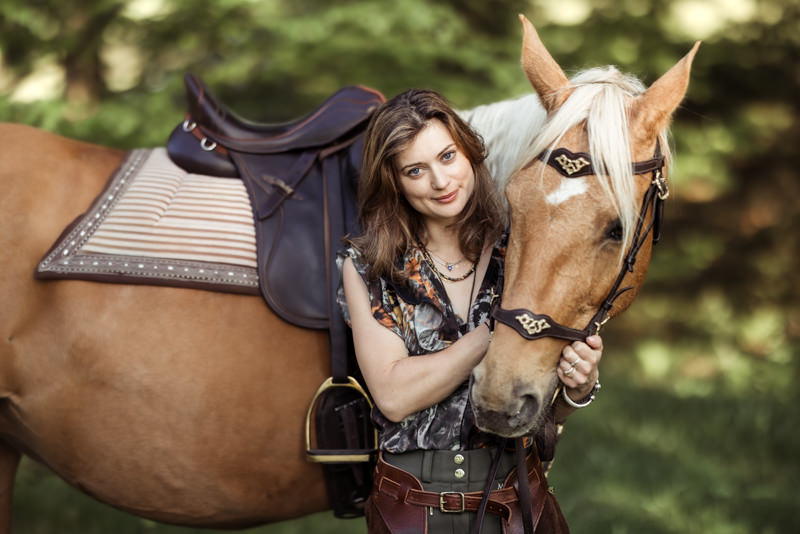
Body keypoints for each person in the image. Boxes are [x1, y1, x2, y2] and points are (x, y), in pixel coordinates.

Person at [338, 89, 603, 534]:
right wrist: (496, 332)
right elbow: (394, 395)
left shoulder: (519, 251)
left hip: (516, 500)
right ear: (394, 182)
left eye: (447, 156)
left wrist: (579, 386)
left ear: (470, 153)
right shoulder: (369, 265)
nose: (440, 182)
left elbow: (544, 408)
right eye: (416, 170)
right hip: (411, 509)